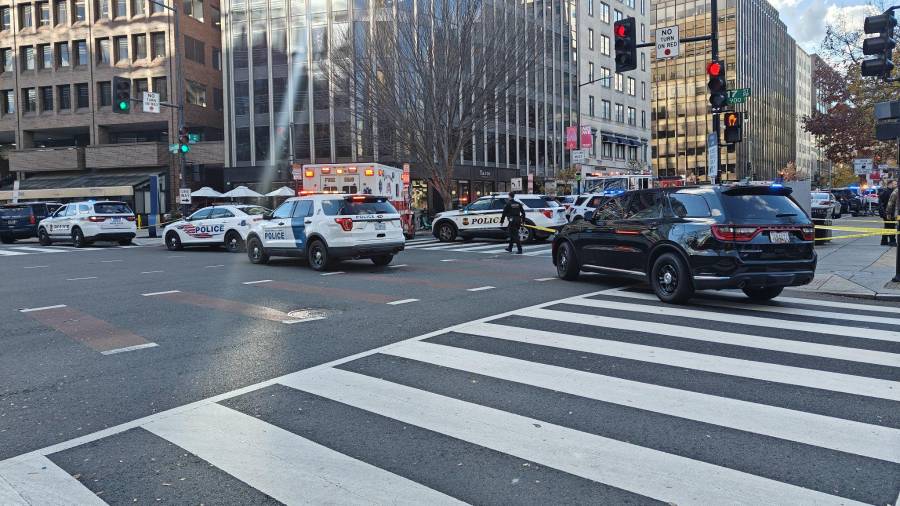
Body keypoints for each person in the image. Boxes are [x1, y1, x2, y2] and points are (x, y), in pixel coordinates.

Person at [880, 181, 897, 246]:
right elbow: (888, 204)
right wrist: (887, 213)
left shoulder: (886, 191)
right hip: (888, 213)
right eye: (895, 184)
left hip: (886, 212)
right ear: (890, 184)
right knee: (891, 226)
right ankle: (892, 241)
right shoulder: (889, 192)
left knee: (887, 226)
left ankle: (884, 241)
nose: (896, 185)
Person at [887, 182, 899, 247]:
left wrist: (888, 213)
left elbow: (890, 203)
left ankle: (893, 241)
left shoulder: (896, 191)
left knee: (896, 227)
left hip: (898, 214)